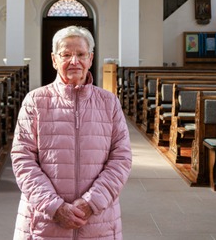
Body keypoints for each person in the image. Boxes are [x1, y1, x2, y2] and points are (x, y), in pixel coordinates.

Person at [11, 25, 132, 239]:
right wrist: (54, 207)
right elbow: (23, 159)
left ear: (90, 59)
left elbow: (121, 158)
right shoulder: (35, 101)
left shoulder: (109, 102)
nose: (74, 61)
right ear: (54, 59)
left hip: (97, 222)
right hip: (44, 221)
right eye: (66, 54)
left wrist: (91, 202)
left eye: (81, 54)